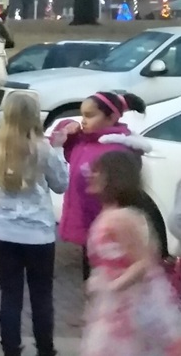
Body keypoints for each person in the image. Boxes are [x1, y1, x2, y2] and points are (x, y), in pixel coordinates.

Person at [0, 92, 69, 356]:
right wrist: (61, 149)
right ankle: (45, 348)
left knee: (10, 295)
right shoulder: (43, 149)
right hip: (39, 233)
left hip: (4, 231)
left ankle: (10, 348)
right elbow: (61, 184)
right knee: (41, 295)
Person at [82, 151, 181, 356]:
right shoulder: (111, 213)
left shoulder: (121, 218)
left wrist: (111, 287)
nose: (90, 175)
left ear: (114, 177)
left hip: (130, 306)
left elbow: (144, 262)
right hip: (118, 305)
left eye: (97, 172)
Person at [50, 90, 150, 280]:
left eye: (90, 115)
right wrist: (68, 127)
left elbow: (120, 194)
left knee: (105, 284)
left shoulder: (116, 152)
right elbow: (61, 141)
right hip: (91, 230)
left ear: (111, 117)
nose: (83, 121)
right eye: (82, 115)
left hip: (107, 233)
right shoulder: (86, 142)